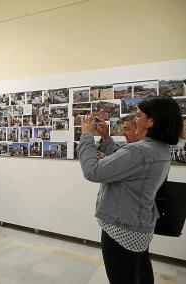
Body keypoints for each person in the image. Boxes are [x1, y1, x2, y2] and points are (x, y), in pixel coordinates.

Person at [77, 96, 183, 284]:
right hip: (138, 225)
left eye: (139, 115)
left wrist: (86, 135)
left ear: (152, 121)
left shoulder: (140, 151)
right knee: (140, 272)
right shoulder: (160, 149)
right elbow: (123, 165)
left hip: (122, 228)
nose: (135, 120)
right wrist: (106, 138)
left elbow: (92, 172)